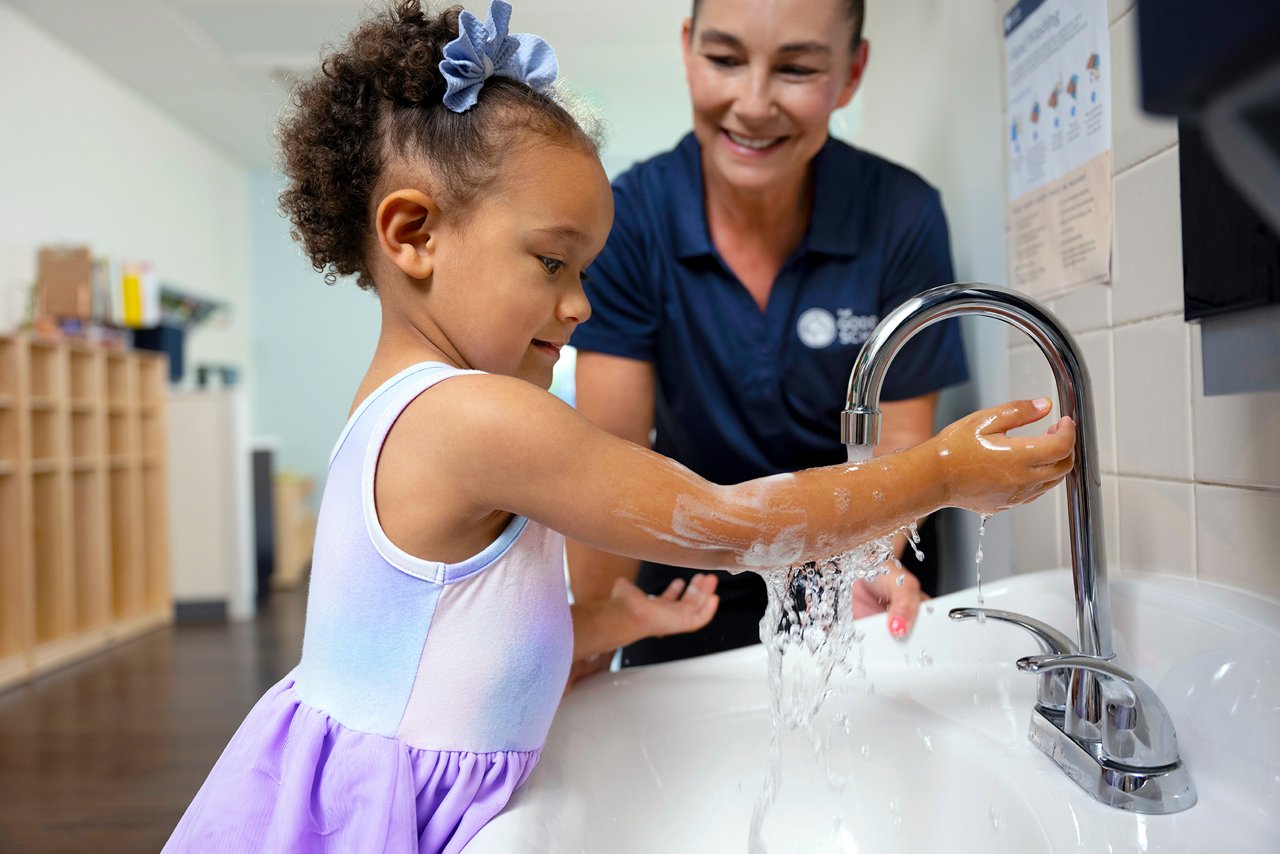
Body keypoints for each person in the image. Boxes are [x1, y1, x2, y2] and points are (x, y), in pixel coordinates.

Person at [162, 2, 1075, 851]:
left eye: (585, 269)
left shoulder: (409, 404)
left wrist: (598, 622)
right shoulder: (477, 416)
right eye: (554, 262)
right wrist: (943, 475)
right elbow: (728, 520)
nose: (580, 304)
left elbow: (444, 631)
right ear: (413, 234)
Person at [568, 0, 968, 668]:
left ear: (851, 72)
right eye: (724, 59)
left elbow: (900, 444)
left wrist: (870, 560)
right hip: (681, 589)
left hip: (850, 574)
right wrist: (587, 643)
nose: (753, 104)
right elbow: (611, 464)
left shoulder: (901, 215)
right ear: (688, 47)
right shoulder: (630, 219)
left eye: (797, 68)